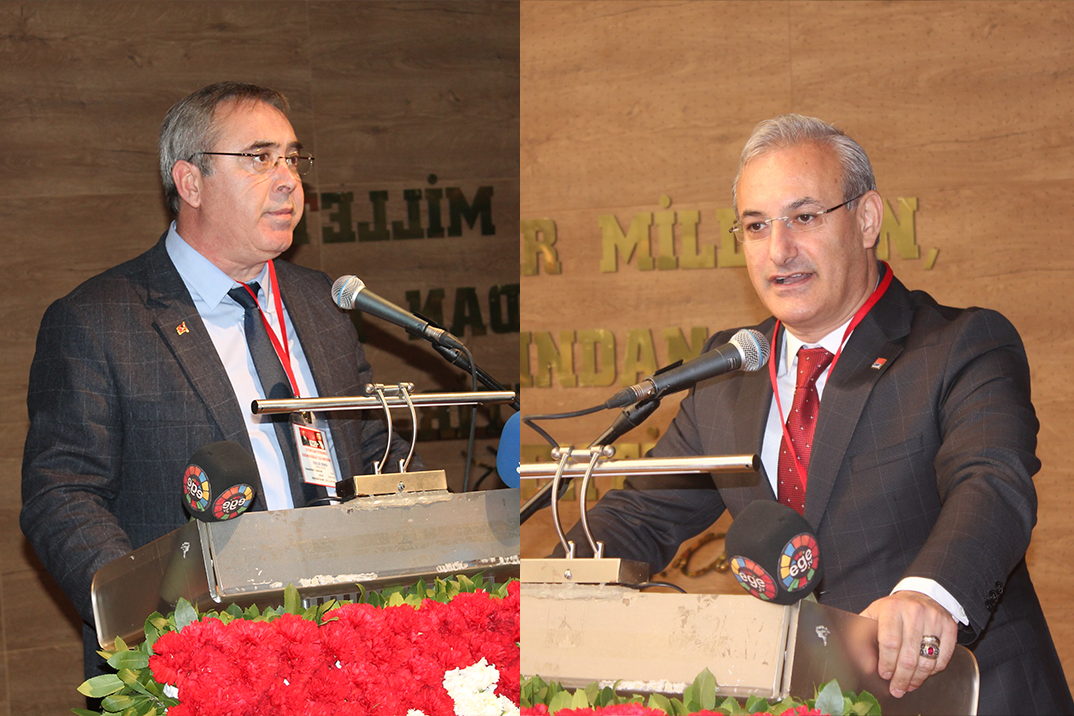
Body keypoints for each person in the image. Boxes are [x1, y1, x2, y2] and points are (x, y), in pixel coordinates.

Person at [563, 114, 1073, 714]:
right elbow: (640, 516)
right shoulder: (730, 375)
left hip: (964, 694)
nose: (778, 250)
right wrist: (547, 586)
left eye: (804, 217)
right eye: (757, 226)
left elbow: (990, 483)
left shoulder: (959, 345)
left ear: (867, 219)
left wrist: (929, 595)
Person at [21, 82, 416, 678]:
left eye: (292, 158)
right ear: (191, 182)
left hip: (349, 652)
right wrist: (159, 630)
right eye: (259, 158)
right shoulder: (101, 319)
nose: (288, 180)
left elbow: (366, 446)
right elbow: (62, 497)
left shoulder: (322, 302)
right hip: (200, 662)